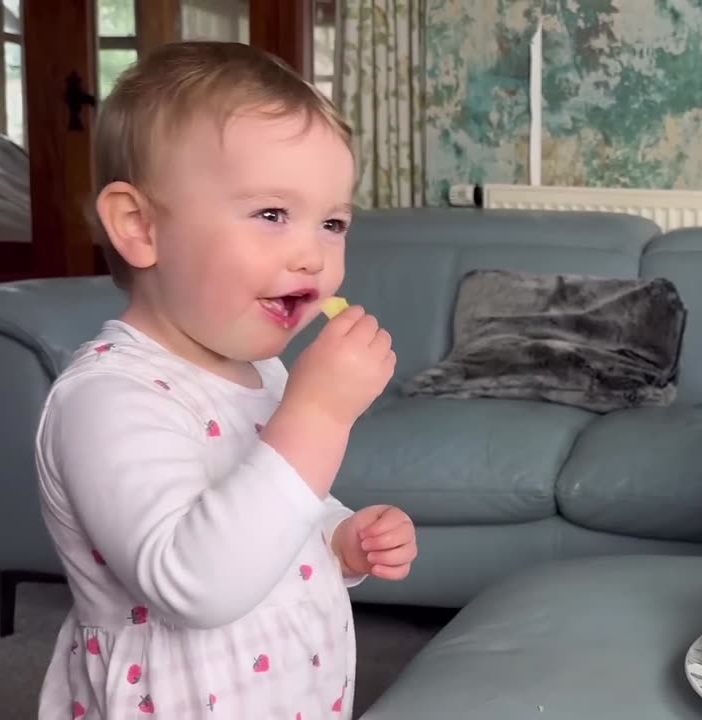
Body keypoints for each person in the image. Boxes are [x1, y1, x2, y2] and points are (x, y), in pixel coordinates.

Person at [33, 41, 416, 719]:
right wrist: (320, 415)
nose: (311, 253)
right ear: (140, 226)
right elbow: (196, 584)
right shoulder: (106, 398)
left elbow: (267, 499)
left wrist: (337, 535)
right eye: (272, 214)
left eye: (333, 223)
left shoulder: (258, 370)